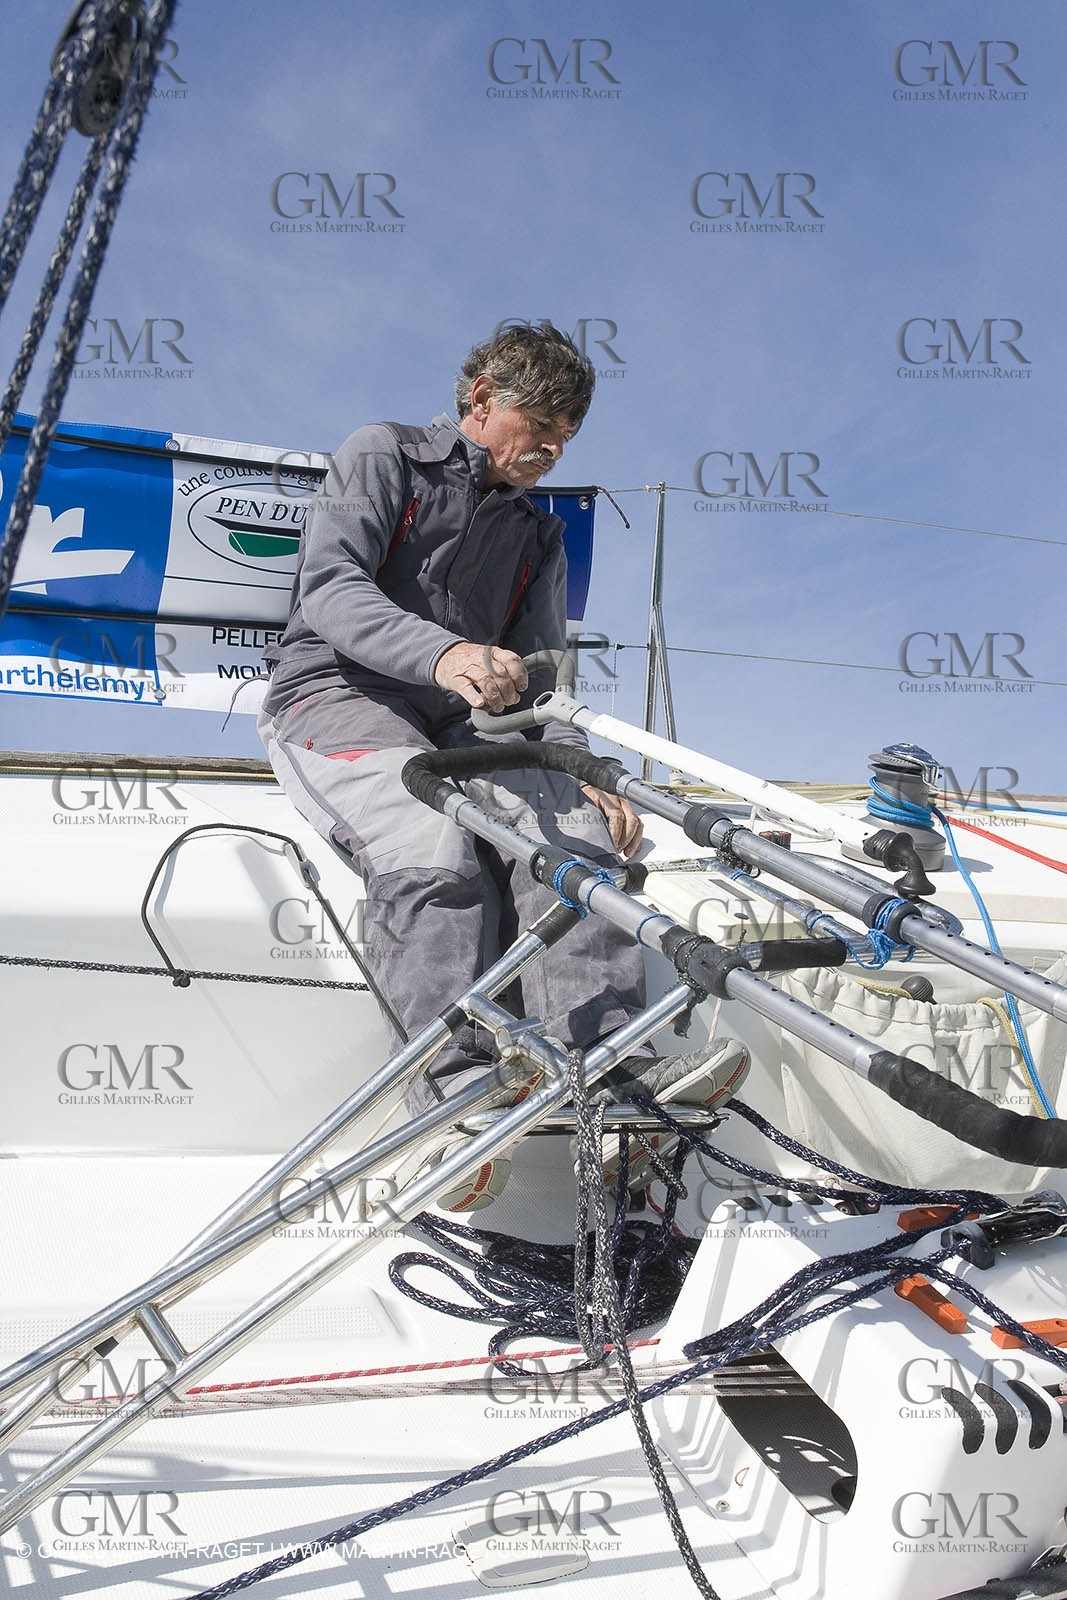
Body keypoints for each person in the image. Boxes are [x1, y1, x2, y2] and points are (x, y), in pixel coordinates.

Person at [259, 323, 648, 1125]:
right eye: (541, 428)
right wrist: (446, 655)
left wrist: (577, 768)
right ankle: (451, 1092)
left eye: (565, 438)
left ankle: (605, 1073)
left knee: (574, 834)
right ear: (481, 399)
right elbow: (330, 587)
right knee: (424, 830)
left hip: (466, 726)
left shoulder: (540, 535)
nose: (553, 452)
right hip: (333, 693)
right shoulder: (382, 454)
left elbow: (544, 673)